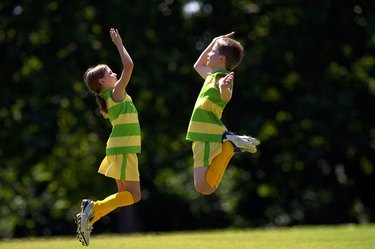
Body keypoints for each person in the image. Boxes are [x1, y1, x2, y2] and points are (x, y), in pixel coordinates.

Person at [75, 28, 141, 246]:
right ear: (103, 82)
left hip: (117, 148)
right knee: (134, 196)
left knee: (124, 197)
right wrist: (119, 44)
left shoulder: (108, 97)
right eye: (110, 73)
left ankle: (90, 217)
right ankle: (92, 209)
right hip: (123, 149)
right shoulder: (115, 93)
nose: (114, 74)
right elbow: (129, 66)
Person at [186, 31, 260, 195]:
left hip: (206, 133)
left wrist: (224, 88)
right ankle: (229, 145)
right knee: (205, 186)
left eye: (212, 51)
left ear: (221, 59)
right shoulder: (210, 77)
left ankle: (229, 146)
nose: (209, 53)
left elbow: (225, 95)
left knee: (204, 187)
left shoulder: (221, 78)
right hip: (203, 132)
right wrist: (213, 42)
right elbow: (197, 66)